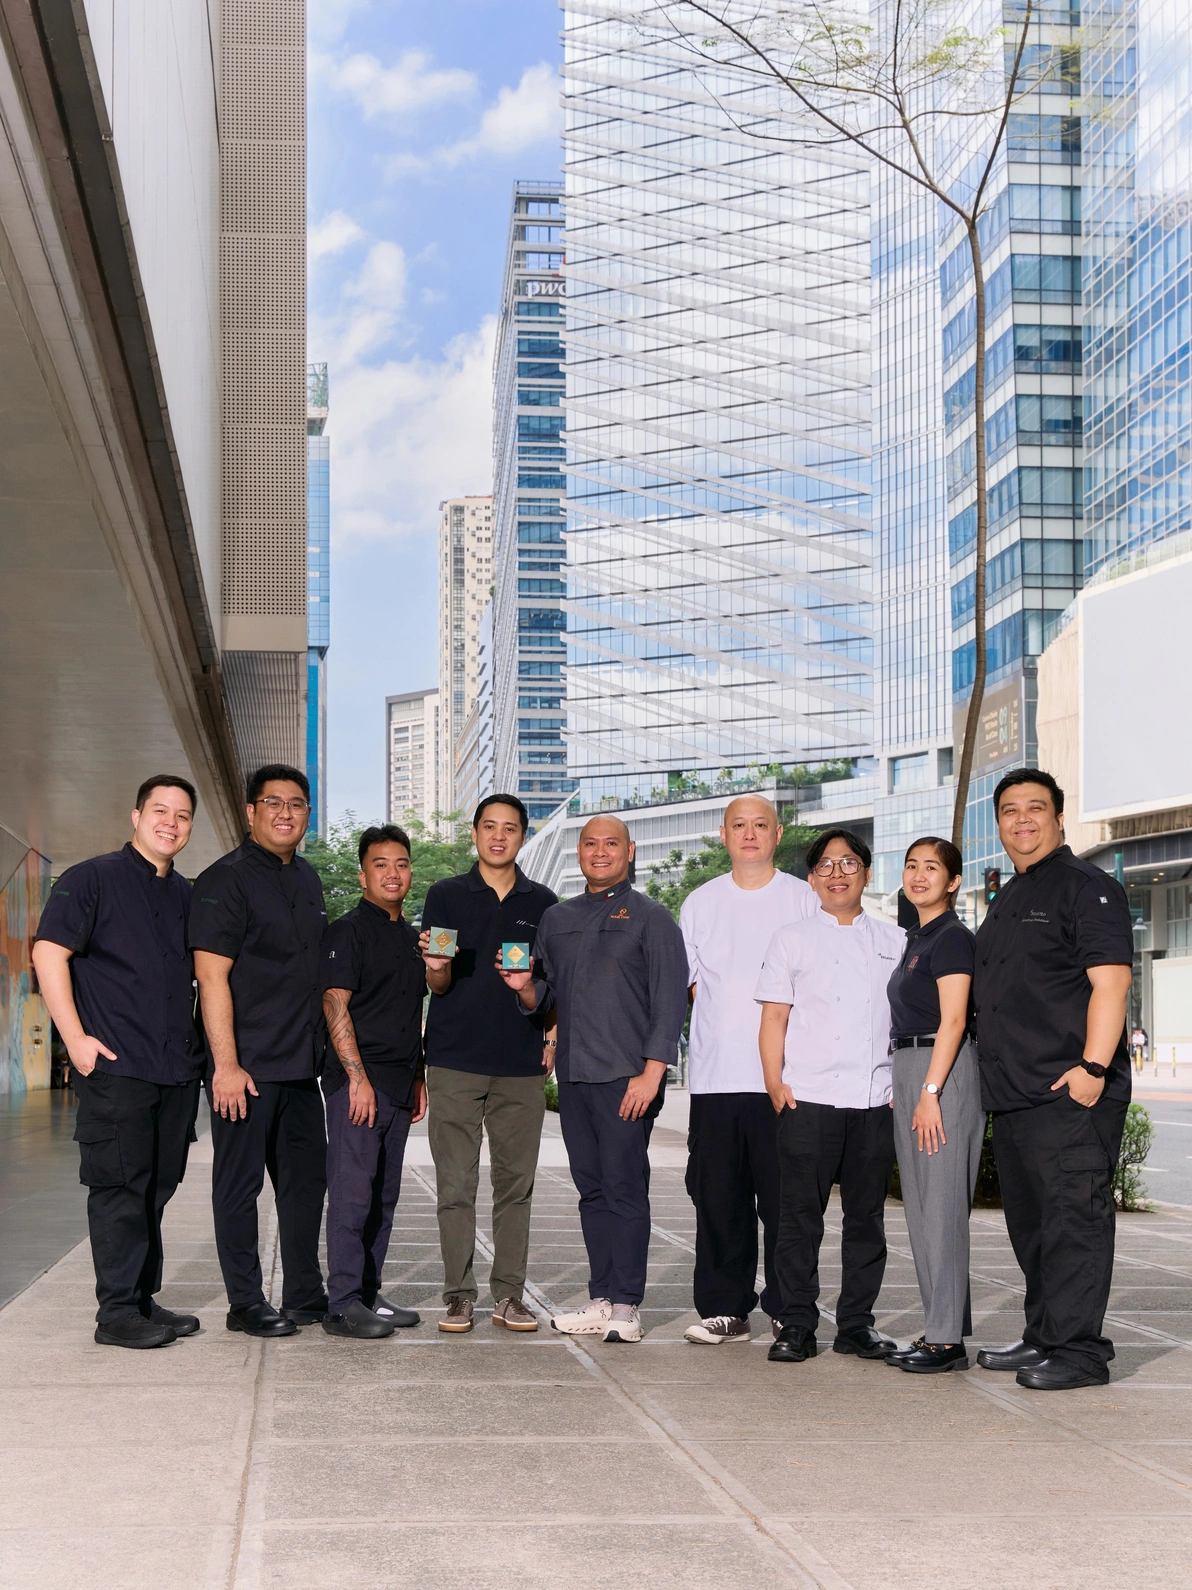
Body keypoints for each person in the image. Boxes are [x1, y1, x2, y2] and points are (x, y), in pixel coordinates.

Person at [973, 769, 1134, 1391]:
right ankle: (1045, 1334)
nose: (1022, 820)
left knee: (1073, 1224)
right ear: (999, 824)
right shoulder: (1009, 895)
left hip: (1071, 1094)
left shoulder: (1086, 887)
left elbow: (1112, 982)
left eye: (1035, 808)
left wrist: (1093, 1068)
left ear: (1059, 818)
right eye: (1010, 810)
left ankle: (1080, 1352)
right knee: (1035, 1227)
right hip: (1016, 1098)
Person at [501, 816, 689, 1343]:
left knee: (625, 1188)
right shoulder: (557, 918)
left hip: (627, 1078)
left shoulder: (652, 917)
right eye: (590, 843)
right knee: (591, 1190)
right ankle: (601, 1298)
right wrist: (523, 987)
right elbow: (547, 996)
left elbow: (670, 999)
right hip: (575, 1077)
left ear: (630, 850)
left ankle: (627, 1304)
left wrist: (651, 1073)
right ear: (578, 851)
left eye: (611, 843)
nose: (600, 852)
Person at [32, 777, 205, 1349]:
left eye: (182, 815)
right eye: (160, 811)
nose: (170, 823)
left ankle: (141, 1299)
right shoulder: (91, 878)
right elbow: (48, 953)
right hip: (116, 1064)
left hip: (174, 1069)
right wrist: (75, 1039)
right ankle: (116, 1314)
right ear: (136, 816)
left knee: (157, 1186)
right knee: (120, 1187)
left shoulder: (186, 896)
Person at [189, 765, 329, 1339]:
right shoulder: (224, 879)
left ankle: (304, 1293)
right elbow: (210, 976)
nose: (285, 813)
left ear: (307, 814)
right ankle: (244, 1302)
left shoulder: (309, 879)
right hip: (245, 1069)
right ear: (251, 812)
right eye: (273, 802)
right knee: (239, 1186)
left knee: (306, 1185)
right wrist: (225, 1065)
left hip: (301, 1067)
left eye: (297, 804)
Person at [757, 829, 906, 1365]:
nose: (837, 874)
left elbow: (908, 1020)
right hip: (808, 1098)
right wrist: (775, 1084)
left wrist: (902, 1086)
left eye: (848, 864)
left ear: (866, 873)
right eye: (825, 865)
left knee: (866, 1220)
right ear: (811, 878)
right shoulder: (791, 939)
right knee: (799, 1219)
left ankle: (856, 1325)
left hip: (875, 1100)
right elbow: (774, 1018)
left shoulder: (896, 941)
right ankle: (796, 1323)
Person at [678, 795, 818, 1346]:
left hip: (785, 1080)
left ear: (778, 834)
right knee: (718, 1199)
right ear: (724, 835)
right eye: (739, 825)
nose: (750, 833)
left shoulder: (804, 898)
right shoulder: (700, 902)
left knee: (786, 1203)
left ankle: (788, 1308)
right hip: (717, 1078)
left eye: (761, 824)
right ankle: (725, 1308)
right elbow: (691, 985)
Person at [419, 795, 557, 1334]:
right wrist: (435, 967)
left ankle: (510, 1296)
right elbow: (438, 983)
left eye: (510, 828)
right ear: (475, 833)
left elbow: (548, 989)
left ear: (523, 836)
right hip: (454, 1060)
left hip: (520, 1065)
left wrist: (545, 1026)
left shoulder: (544, 903)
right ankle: (458, 1296)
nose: (499, 837)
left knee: (515, 1186)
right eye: (489, 827)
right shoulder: (446, 894)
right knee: (455, 1185)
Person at [320, 825, 427, 1339]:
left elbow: (410, 1013)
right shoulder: (348, 931)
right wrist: (355, 1078)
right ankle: (341, 1304)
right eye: (380, 864)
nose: (392, 873)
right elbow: (334, 1003)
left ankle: (366, 1293)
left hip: (400, 1086)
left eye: (401, 864)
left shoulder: (413, 939)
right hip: (359, 1086)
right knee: (351, 1195)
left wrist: (419, 1077)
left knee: (384, 1197)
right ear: (363, 875)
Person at [884, 837, 983, 1374]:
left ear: (954, 882)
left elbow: (954, 1019)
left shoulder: (951, 938)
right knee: (924, 1208)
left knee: (941, 1207)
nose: (919, 875)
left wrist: (929, 1092)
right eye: (911, 866)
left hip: (940, 1073)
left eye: (932, 868)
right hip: (912, 1067)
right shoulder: (917, 938)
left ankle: (946, 1341)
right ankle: (942, 1328)